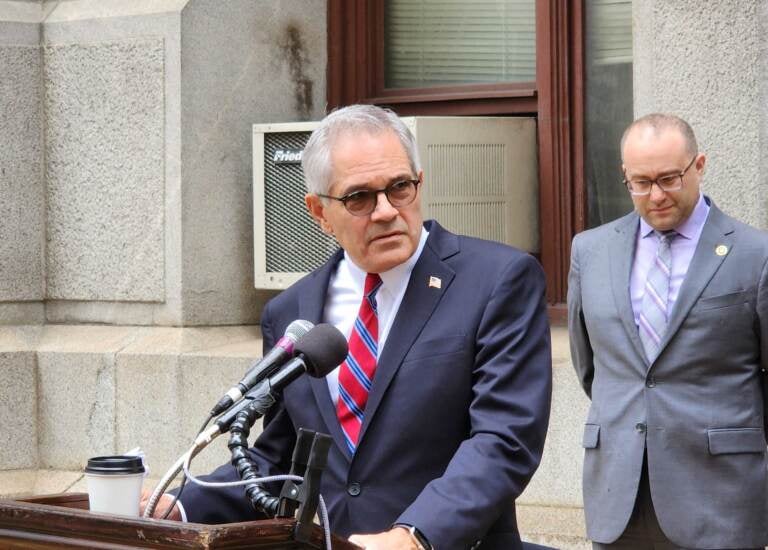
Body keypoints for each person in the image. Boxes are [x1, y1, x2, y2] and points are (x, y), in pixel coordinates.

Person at [145, 104, 552, 549]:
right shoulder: (291, 311)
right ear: (319, 212)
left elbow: (502, 441)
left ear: (420, 182)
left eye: (400, 188)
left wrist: (415, 536)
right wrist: (181, 505)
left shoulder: (497, 280)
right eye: (359, 197)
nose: (385, 211)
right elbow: (276, 458)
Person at [568, 113, 768, 549]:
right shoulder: (590, 250)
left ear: (699, 165)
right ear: (625, 176)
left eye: (669, 178)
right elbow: (591, 368)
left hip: (721, 496)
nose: (655, 196)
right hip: (619, 494)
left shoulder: (756, 254)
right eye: (640, 182)